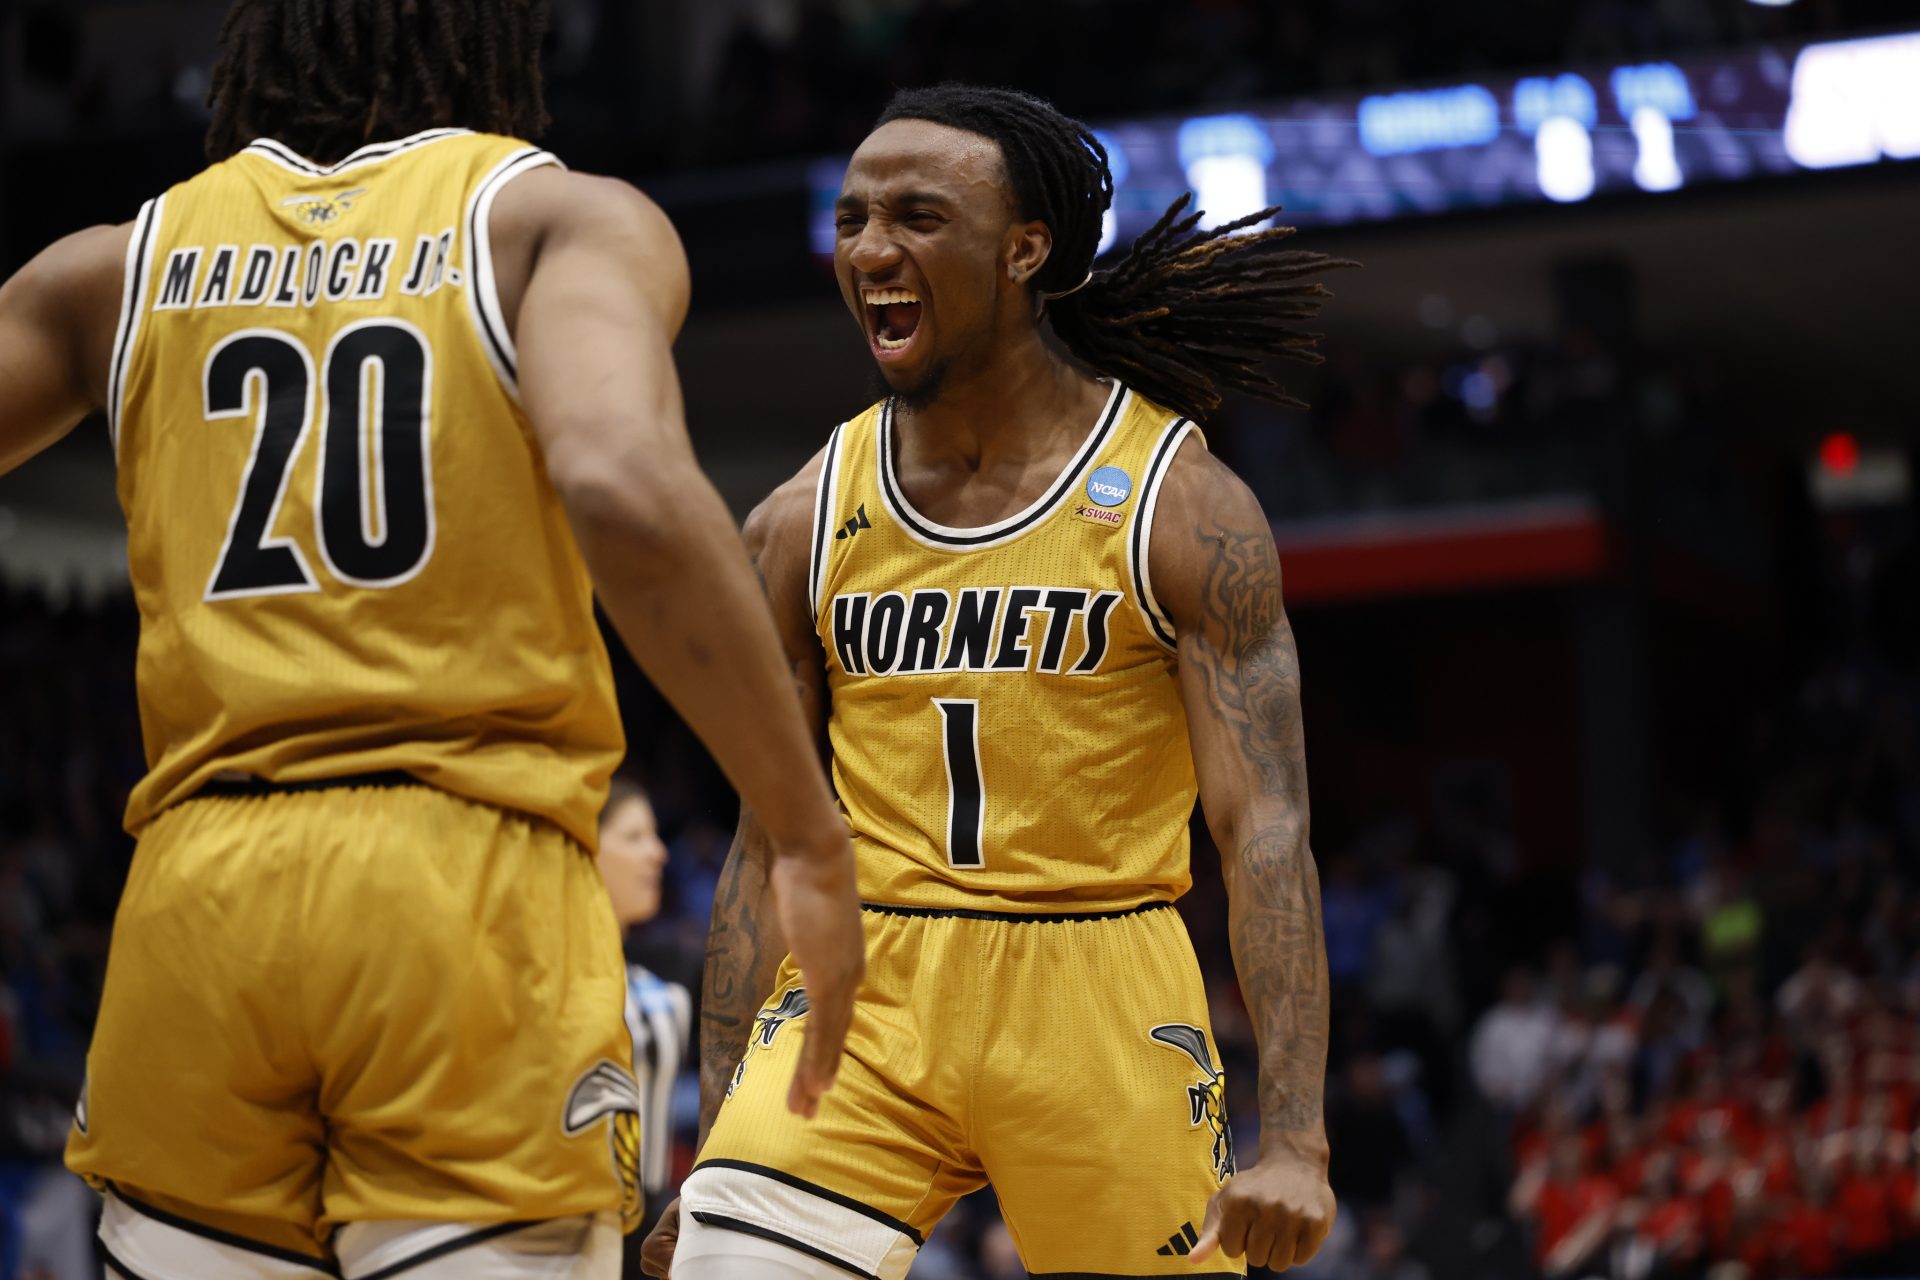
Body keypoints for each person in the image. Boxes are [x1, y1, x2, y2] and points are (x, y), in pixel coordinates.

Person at [0, 1, 864, 1275]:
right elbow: (621, 479)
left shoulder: (110, 268)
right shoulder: (551, 220)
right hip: (464, 884)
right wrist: (806, 829)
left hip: (194, 902)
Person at [646, 85, 1352, 1278]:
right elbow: (766, 846)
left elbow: (1265, 828)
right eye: (854, 217)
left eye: (919, 216)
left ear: (1026, 248)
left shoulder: (1183, 505)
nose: (873, 248)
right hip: (867, 989)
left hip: (1101, 986)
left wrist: (1295, 1135)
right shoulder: (802, 517)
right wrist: (713, 1155)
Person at [597, 780, 693, 1246]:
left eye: (655, 836)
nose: (658, 853)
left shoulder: (663, 987)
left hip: (650, 1227)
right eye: (634, 837)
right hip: (557, 1230)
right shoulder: (536, 982)